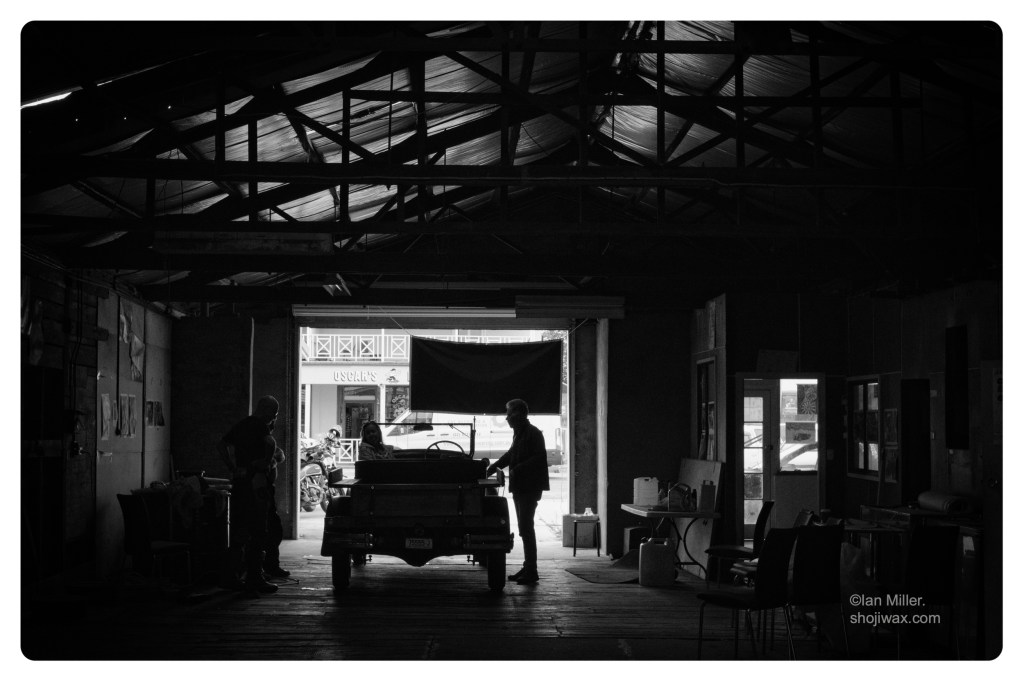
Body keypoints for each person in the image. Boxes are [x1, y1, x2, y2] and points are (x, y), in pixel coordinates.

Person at [218, 395, 284, 594]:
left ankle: (231, 576)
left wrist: (231, 466)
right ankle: (255, 578)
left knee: (239, 530)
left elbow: (221, 445)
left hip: (240, 482)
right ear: (266, 410)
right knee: (258, 530)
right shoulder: (260, 425)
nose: (274, 418)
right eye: (274, 413)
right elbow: (270, 442)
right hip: (256, 483)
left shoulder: (242, 424)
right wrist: (265, 460)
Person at [486, 398, 549, 585]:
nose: (507, 418)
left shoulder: (533, 433)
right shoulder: (520, 433)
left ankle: (532, 570)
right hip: (522, 487)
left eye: (509, 413)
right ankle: (529, 566)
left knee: (526, 528)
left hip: (529, 488)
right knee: (524, 528)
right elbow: (510, 455)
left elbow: (539, 458)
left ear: (520, 414)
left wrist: (516, 470)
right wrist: (493, 468)